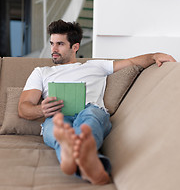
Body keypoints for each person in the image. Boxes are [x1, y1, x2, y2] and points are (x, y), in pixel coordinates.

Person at [18, 19, 176, 185]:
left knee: (90, 117)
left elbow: (132, 62)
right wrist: (41, 110)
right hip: (57, 115)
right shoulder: (41, 72)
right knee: (58, 127)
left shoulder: (96, 66)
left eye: (60, 44)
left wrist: (153, 56)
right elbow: (23, 108)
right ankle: (88, 163)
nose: (53, 49)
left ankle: (72, 155)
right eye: (52, 44)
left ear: (75, 47)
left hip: (90, 110)